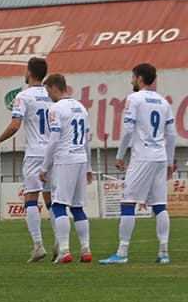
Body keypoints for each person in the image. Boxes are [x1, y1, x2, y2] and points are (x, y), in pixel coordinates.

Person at [100, 63, 177, 265]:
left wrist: (119, 155)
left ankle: (122, 252)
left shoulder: (134, 99)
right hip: (160, 157)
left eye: (133, 77)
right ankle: (163, 252)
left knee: (127, 202)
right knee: (160, 206)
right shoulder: (163, 102)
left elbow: (127, 129)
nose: (131, 80)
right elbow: (171, 135)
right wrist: (169, 163)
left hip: (142, 156)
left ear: (140, 78)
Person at [0, 57, 55, 262]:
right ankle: (61, 243)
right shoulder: (53, 94)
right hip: (53, 152)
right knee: (52, 200)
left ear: (29, 72)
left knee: (30, 199)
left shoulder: (24, 96)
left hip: (36, 153)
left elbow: (15, 125)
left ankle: (38, 245)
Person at [39, 74, 94, 264]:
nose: (48, 96)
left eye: (48, 91)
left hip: (65, 159)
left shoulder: (56, 108)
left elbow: (54, 139)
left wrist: (45, 167)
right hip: (80, 158)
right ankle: (86, 250)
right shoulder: (81, 107)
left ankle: (64, 250)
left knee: (59, 205)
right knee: (78, 207)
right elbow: (87, 139)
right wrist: (89, 166)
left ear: (54, 88)